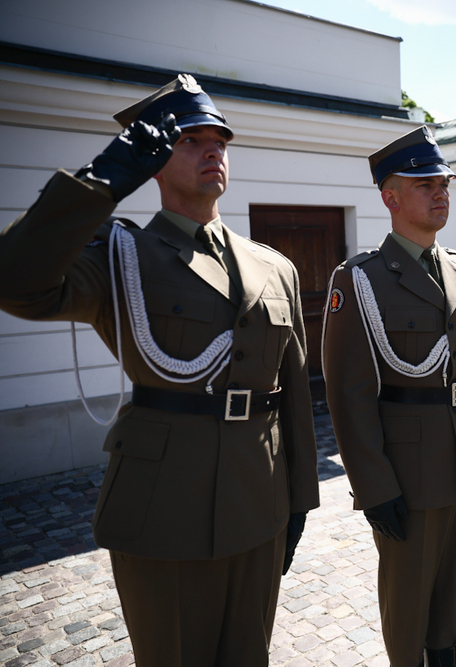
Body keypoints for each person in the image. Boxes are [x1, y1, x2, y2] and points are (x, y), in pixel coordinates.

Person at [0, 74, 319, 665]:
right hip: (163, 507)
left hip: (259, 500)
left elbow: (293, 394)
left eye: (218, 139)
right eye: (190, 141)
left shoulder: (273, 266)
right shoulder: (120, 254)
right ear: (153, 162)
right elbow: (17, 284)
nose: (212, 150)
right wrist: (97, 185)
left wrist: (298, 501)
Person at [322, 126, 456, 667]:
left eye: (444, 183)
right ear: (390, 197)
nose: (439, 192)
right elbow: (349, 395)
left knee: (453, 592)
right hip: (408, 471)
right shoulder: (360, 280)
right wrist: (374, 485)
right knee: (407, 603)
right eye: (424, 183)